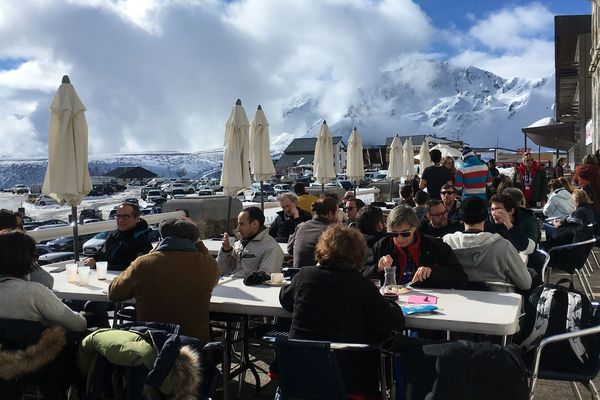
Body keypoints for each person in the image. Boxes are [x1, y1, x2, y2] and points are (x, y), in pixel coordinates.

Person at [280, 224, 405, 398]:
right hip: (350, 379)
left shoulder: (305, 276)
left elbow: (285, 299)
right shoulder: (361, 285)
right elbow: (392, 324)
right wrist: (392, 304)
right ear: (358, 254)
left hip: (302, 374)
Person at [109, 218, 219, 341]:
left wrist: (148, 256)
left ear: (162, 238)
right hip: (194, 348)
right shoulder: (208, 265)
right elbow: (208, 261)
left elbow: (114, 294)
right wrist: (199, 243)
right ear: (193, 240)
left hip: (153, 345)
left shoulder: (143, 263)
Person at [365, 206, 468, 289]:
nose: (399, 239)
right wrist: (377, 268)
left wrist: (433, 272)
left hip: (429, 300)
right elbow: (362, 274)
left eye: (405, 234)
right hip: (392, 300)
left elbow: (460, 278)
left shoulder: (435, 245)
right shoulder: (381, 246)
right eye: (394, 234)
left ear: (414, 228)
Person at [443, 197, 532, 290]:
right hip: (499, 301)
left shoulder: (446, 242)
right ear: (486, 218)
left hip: (457, 300)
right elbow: (526, 283)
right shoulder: (503, 245)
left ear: (461, 219)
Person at [83, 202, 152, 271]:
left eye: (125, 216)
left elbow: (131, 268)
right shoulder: (113, 234)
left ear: (136, 219)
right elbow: (102, 254)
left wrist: (97, 266)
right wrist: (92, 258)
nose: (121, 220)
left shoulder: (143, 239)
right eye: (118, 216)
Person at [218, 206, 284, 278]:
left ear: (255, 224)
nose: (238, 229)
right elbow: (221, 270)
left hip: (249, 288)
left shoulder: (271, 248)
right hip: (230, 285)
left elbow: (265, 277)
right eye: (238, 224)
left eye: (242, 224)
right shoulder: (238, 244)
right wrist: (226, 251)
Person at [0, 209, 53, 289]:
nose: (24, 231)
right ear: (7, 232)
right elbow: (47, 282)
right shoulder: (14, 257)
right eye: (20, 226)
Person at [288, 196, 338, 268]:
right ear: (330, 214)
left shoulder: (301, 226)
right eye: (337, 212)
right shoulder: (332, 232)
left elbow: (290, 249)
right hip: (319, 276)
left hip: (297, 274)